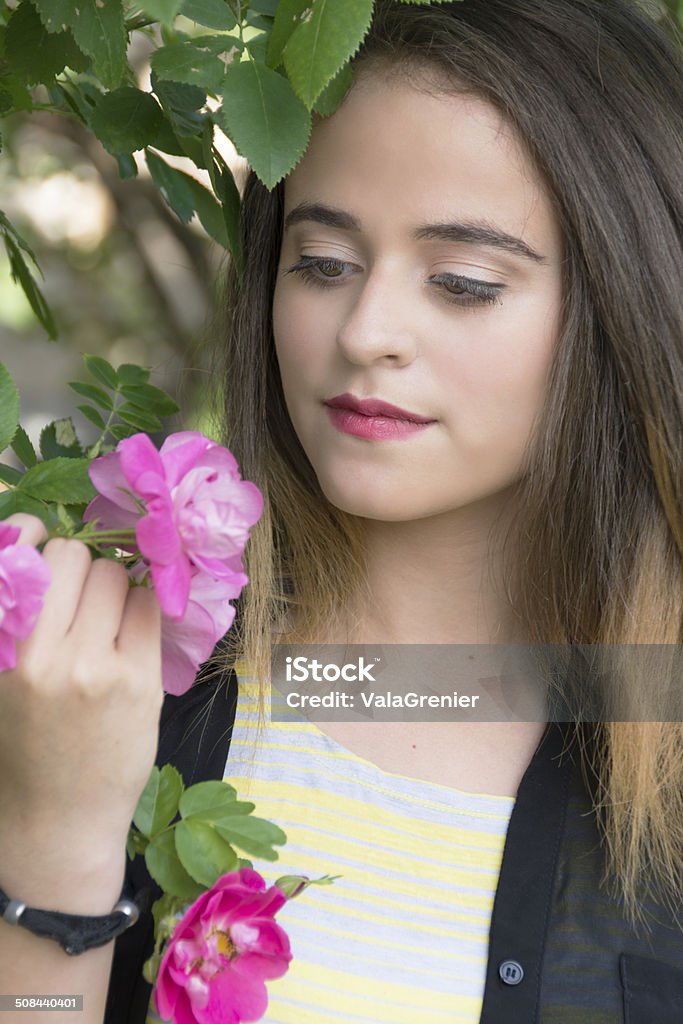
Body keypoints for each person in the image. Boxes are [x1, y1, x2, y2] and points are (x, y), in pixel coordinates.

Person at [0, 0, 681, 1021]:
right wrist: (55, 848)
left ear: (625, 304)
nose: (366, 331)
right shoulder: (88, 680)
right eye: (322, 264)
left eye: (461, 282)